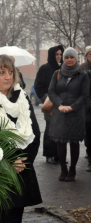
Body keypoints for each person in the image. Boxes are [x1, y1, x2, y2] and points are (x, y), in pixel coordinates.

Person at [0, 55, 42, 222]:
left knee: (14, 218)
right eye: (2, 72)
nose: (7, 76)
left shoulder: (22, 98)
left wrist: (24, 161)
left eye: (10, 72)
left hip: (19, 174)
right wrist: (6, 162)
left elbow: (34, 134)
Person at [48, 47, 90, 182]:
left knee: (74, 142)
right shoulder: (57, 73)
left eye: (71, 57)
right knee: (60, 142)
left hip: (76, 113)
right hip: (60, 112)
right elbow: (51, 92)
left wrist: (71, 107)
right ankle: (63, 170)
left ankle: (72, 170)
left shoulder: (82, 75)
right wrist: (60, 104)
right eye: (66, 57)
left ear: (76, 58)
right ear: (63, 59)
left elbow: (84, 96)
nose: (69, 59)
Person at [34, 45, 64, 164]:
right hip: (50, 103)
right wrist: (46, 98)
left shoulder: (64, 68)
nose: (59, 56)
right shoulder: (45, 68)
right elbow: (38, 86)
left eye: (60, 54)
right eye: (56, 54)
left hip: (62, 103)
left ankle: (59, 156)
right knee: (50, 129)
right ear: (52, 55)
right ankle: (49, 154)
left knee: (61, 130)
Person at [80, 46, 91, 172]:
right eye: (89, 54)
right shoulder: (82, 68)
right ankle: (89, 154)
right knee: (88, 132)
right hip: (87, 106)